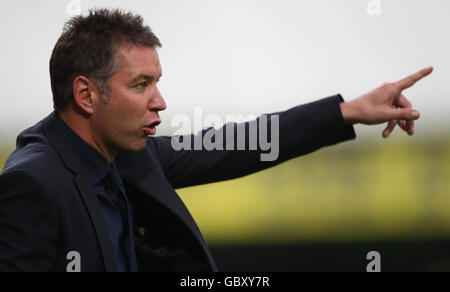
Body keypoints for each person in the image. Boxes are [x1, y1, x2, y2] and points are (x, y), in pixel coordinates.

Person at [0, 8, 433, 272]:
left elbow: (237, 144)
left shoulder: (129, 154)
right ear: (85, 95)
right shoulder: (33, 183)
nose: (160, 101)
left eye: (158, 82)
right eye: (141, 84)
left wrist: (348, 111)